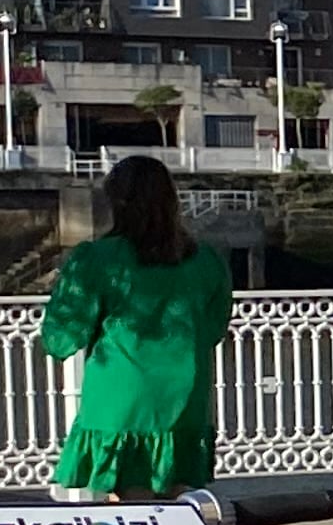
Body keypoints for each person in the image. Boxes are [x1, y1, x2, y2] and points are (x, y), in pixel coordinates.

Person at [40, 151, 231, 500]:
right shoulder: (205, 260)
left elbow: (61, 338)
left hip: (121, 399)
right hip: (185, 399)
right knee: (173, 503)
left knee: (131, 510)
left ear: (116, 202)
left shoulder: (97, 259)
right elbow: (215, 328)